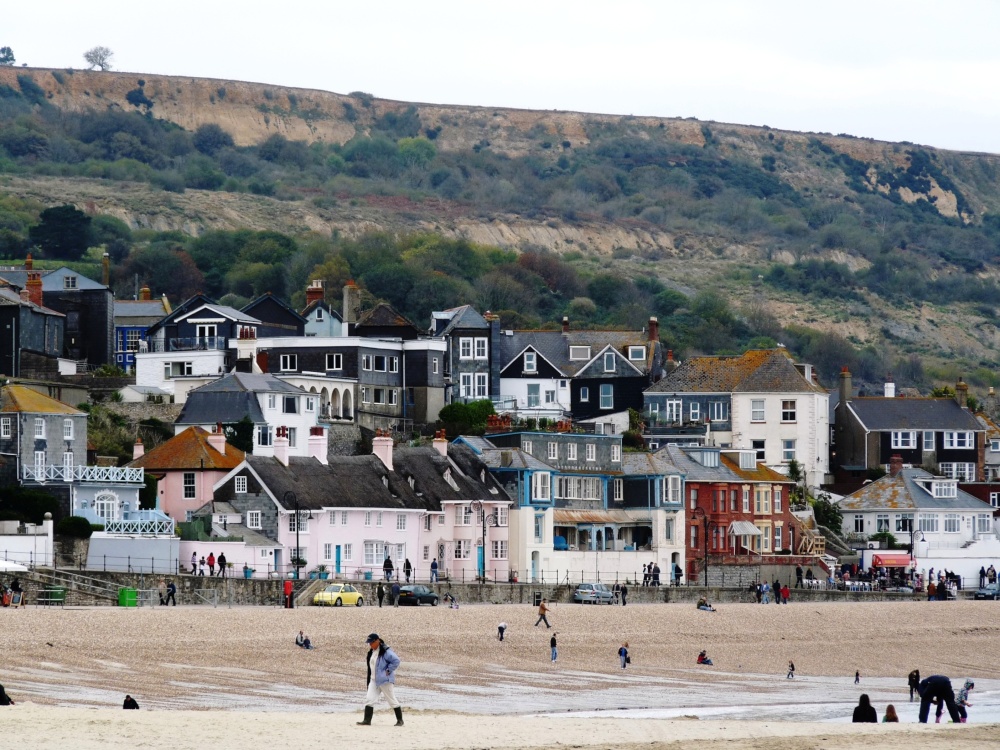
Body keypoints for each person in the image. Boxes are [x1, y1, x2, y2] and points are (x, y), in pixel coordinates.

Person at [357, 633, 403, 727]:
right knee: (369, 699)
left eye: (371, 643)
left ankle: (400, 720)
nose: (370, 645)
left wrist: (388, 670)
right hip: (374, 680)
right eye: (369, 643)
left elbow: (396, 660)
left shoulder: (386, 651)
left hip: (385, 681)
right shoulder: (372, 651)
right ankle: (367, 720)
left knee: (392, 700)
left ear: (377, 641)